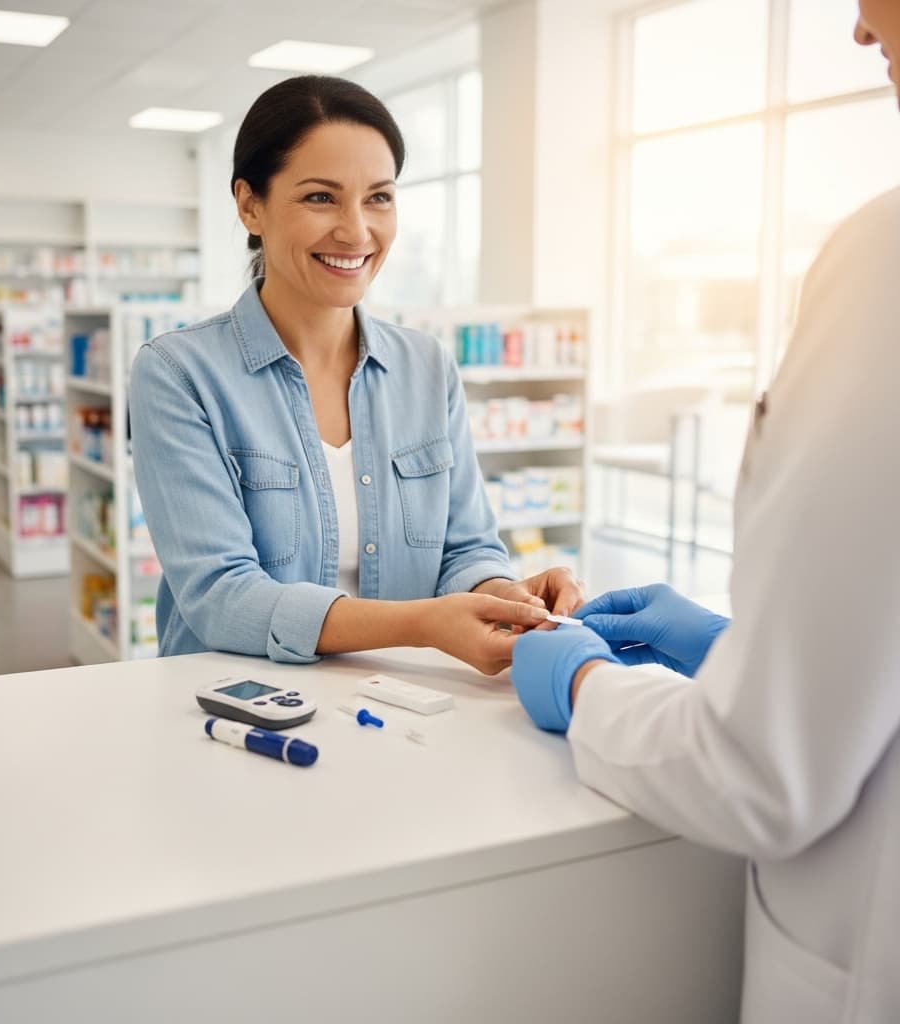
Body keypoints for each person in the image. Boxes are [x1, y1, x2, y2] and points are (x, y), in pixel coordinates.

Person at [510, 3, 900, 1019]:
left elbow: (760, 773)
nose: (858, 30)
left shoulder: (889, 258)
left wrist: (587, 685)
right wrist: (745, 648)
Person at [129, 75, 581, 675]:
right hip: (243, 712)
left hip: (405, 703)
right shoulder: (179, 373)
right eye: (321, 197)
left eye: (379, 197)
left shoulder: (426, 367)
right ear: (249, 204)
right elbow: (220, 596)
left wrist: (501, 592)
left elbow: (465, 547)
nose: (356, 230)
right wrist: (421, 626)